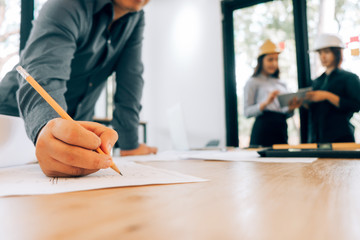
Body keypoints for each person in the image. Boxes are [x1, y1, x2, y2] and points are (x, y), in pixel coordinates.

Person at [0, 0, 157, 177]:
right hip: (13, 121)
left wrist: (130, 145)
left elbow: (131, 78)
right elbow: (44, 73)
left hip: (69, 130)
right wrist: (49, 125)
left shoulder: (135, 18)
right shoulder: (66, 4)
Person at [244, 39, 301, 147]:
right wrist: (265, 103)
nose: (274, 63)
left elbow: (285, 112)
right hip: (263, 130)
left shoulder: (282, 83)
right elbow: (246, 112)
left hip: (281, 129)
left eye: (276, 59)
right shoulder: (253, 82)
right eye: (270, 60)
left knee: (283, 162)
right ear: (261, 61)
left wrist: (291, 108)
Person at [305, 33, 360, 143]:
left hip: (340, 138)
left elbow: (356, 105)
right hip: (317, 139)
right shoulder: (316, 82)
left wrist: (327, 96)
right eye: (320, 53)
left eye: (326, 52)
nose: (323, 56)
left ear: (337, 52)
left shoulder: (350, 78)